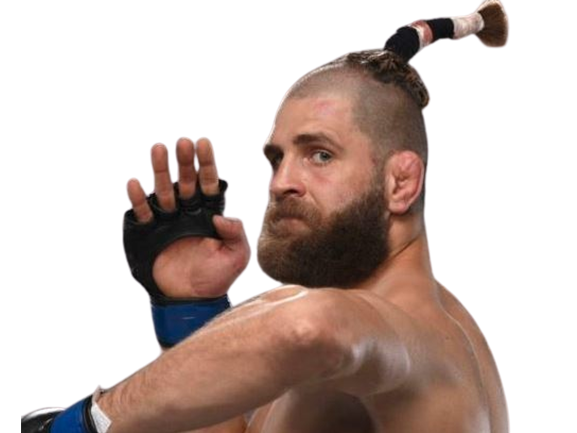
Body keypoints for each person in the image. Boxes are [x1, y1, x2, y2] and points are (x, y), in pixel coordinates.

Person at [22, 2, 509, 432]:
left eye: (320, 155)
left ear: (400, 182)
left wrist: (89, 423)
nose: (281, 183)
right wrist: (192, 310)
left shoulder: (409, 332)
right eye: (279, 159)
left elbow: (308, 327)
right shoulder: (361, 356)